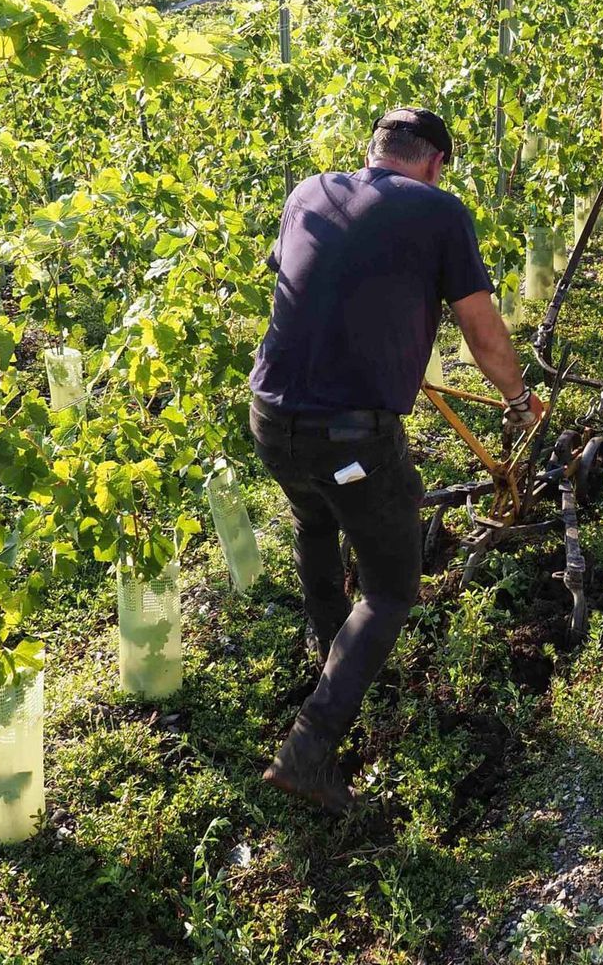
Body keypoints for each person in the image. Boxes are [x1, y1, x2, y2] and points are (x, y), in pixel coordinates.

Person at [249, 106, 542, 815]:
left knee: (315, 523)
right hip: (350, 439)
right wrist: (518, 395)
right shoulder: (440, 212)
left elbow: (310, 286)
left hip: (268, 416)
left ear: (373, 150)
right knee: (390, 587)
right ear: (436, 163)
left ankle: (332, 658)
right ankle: (309, 749)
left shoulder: (307, 191)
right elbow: (479, 327)